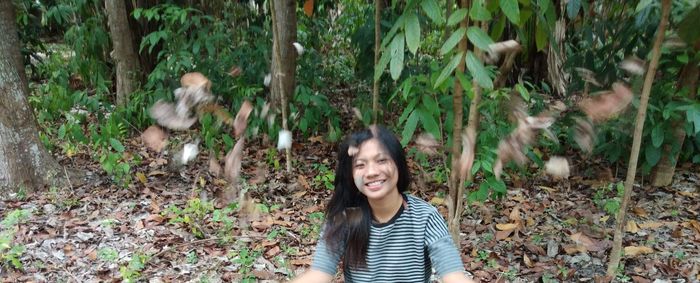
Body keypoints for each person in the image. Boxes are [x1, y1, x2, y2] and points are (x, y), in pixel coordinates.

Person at [291, 126, 476, 283]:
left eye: (381, 160)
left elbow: (454, 275)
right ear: (350, 174)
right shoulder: (347, 218)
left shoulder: (424, 217)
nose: (371, 172)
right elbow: (318, 274)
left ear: (398, 163)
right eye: (360, 165)